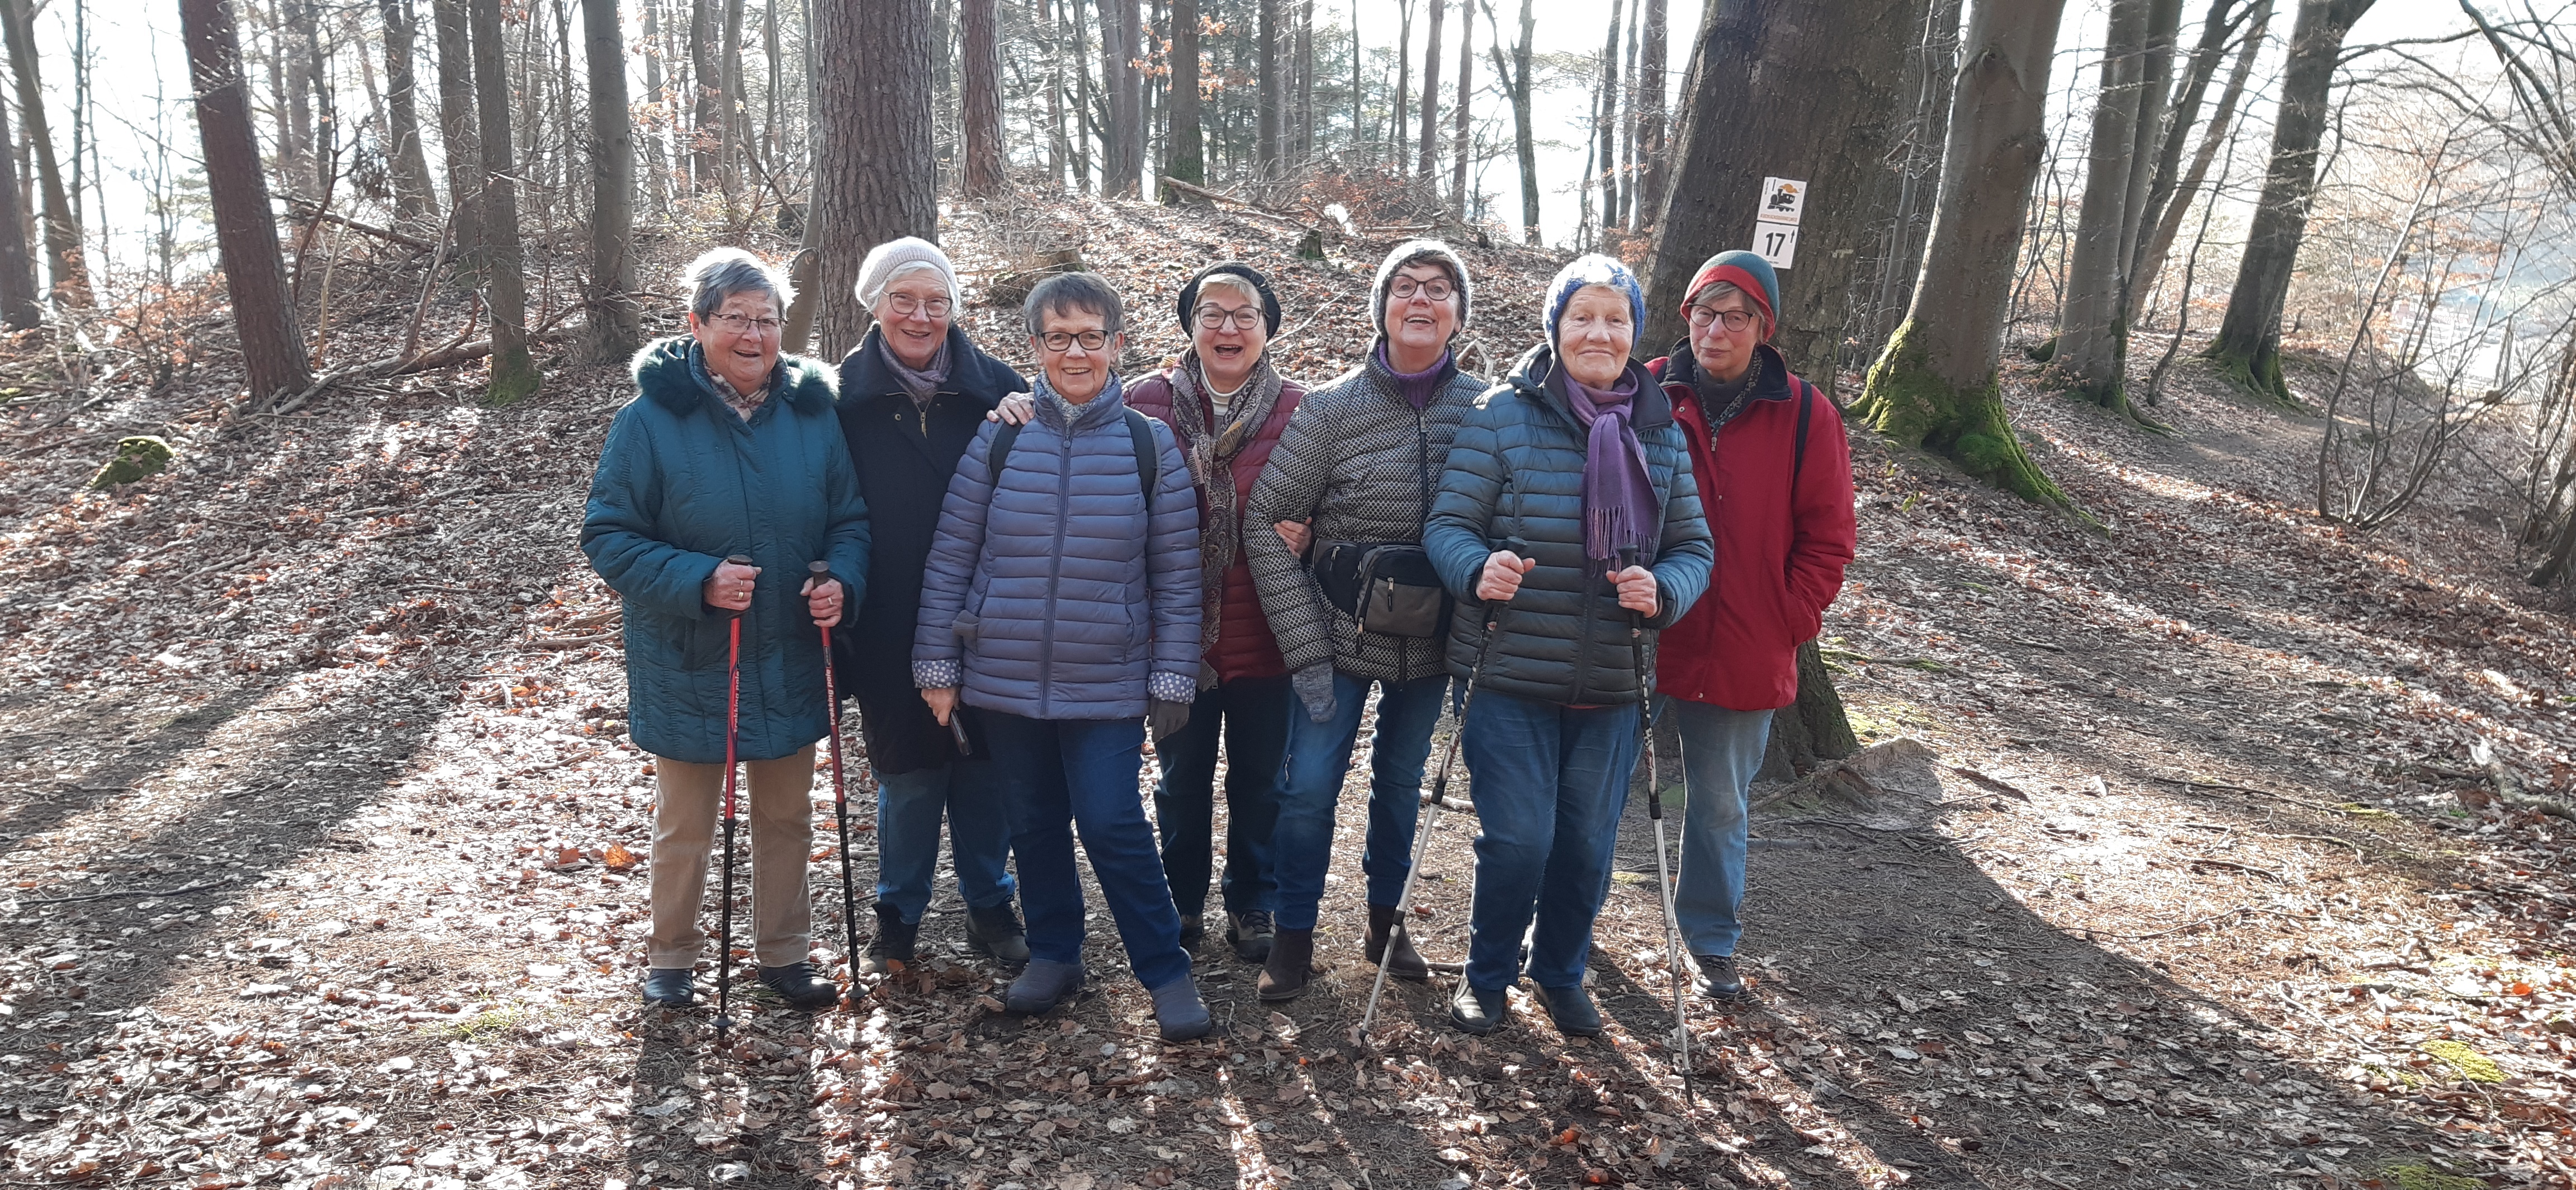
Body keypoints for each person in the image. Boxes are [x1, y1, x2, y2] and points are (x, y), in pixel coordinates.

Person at [912, 272, 1213, 1041]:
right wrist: (937, 666)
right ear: (1036, 347)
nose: (1074, 352)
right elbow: (951, 554)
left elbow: (1178, 575)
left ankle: (1165, 972)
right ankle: (1053, 953)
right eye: (1057, 337)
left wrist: (1173, 676)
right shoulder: (1003, 434)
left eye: (1090, 337)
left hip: (1106, 677)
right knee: (1032, 818)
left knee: (1113, 822)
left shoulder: (1151, 447)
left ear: (1118, 345)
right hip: (1004, 673)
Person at [1423, 254, 1713, 1037]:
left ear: (1635, 334)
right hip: (1508, 670)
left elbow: (1692, 549)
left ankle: (1560, 973)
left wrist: (1667, 591)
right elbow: (1447, 527)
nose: (1599, 332)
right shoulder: (1500, 416)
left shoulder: (1661, 432)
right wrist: (1479, 568)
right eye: (1582, 316)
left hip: (1614, 681)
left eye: (1615, 319)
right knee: (1520, 840)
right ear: (1555, 328)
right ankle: (1486, 977)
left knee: (1585, 849)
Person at [581, 248, 870, 1012]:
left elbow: (850, 520)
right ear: (698, 324)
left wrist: (842, 581)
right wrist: (697, 579)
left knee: (786, 816)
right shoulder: (648, 421)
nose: (753, 335)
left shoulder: (814, 414)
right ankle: (671, 958)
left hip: (789, 653)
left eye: (766, 320)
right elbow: (608, 536)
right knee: (686, 822)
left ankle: (783, 952)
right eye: (735, 319)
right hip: (690, 654)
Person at [1243, 239, 1488, 1001]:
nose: (1421, 300)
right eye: (1405, 287)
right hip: (1337, 639)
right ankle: (1293, 935)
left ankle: (1388, 921)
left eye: (1439, 289)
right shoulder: (1331, 408)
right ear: (1381, 307)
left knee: (1402, 782)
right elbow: (1265, 523)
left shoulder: (1486, 411)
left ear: (1458, 313)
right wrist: (1306, 646)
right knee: (1310, 787)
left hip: (1435, 646)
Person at [1645, 251, 1855, 1000]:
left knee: (1722, 801)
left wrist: (1788, 618)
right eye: (1705, 312)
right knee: (1598, 788)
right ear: (1688, 319)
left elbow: (1829, 536)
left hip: (1747, 643)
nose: (1716, 329)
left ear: (1763, 329)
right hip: (1644, 631)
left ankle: (1710, 939)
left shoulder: (1805, 413)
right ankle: (1566, 927)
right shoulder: (1645, 393)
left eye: (1735, 316)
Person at [832, 237, 1033, 974]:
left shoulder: (1002, 393)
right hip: (885, 621)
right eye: (904, 300)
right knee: (909, 778)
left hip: (989, 621)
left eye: (937, 302)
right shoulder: (839, 402)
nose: (921, 316)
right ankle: (899, 915)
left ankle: (990, 904)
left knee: (985, 773)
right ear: (874, 306)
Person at [1124, 263, 1306, 965]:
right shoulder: (1143, 402)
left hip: (1270, 632)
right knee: (1181, 776)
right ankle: (1182, 899)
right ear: (1190, 325)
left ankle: (1253, 899)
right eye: (1212, 312)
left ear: (1267, 327)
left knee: (1264, 779)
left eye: (1245, 314)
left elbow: (1336, 495)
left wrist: (1315, 531)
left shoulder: (1302, 409)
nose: (1228, 327)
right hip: (1177, 639)